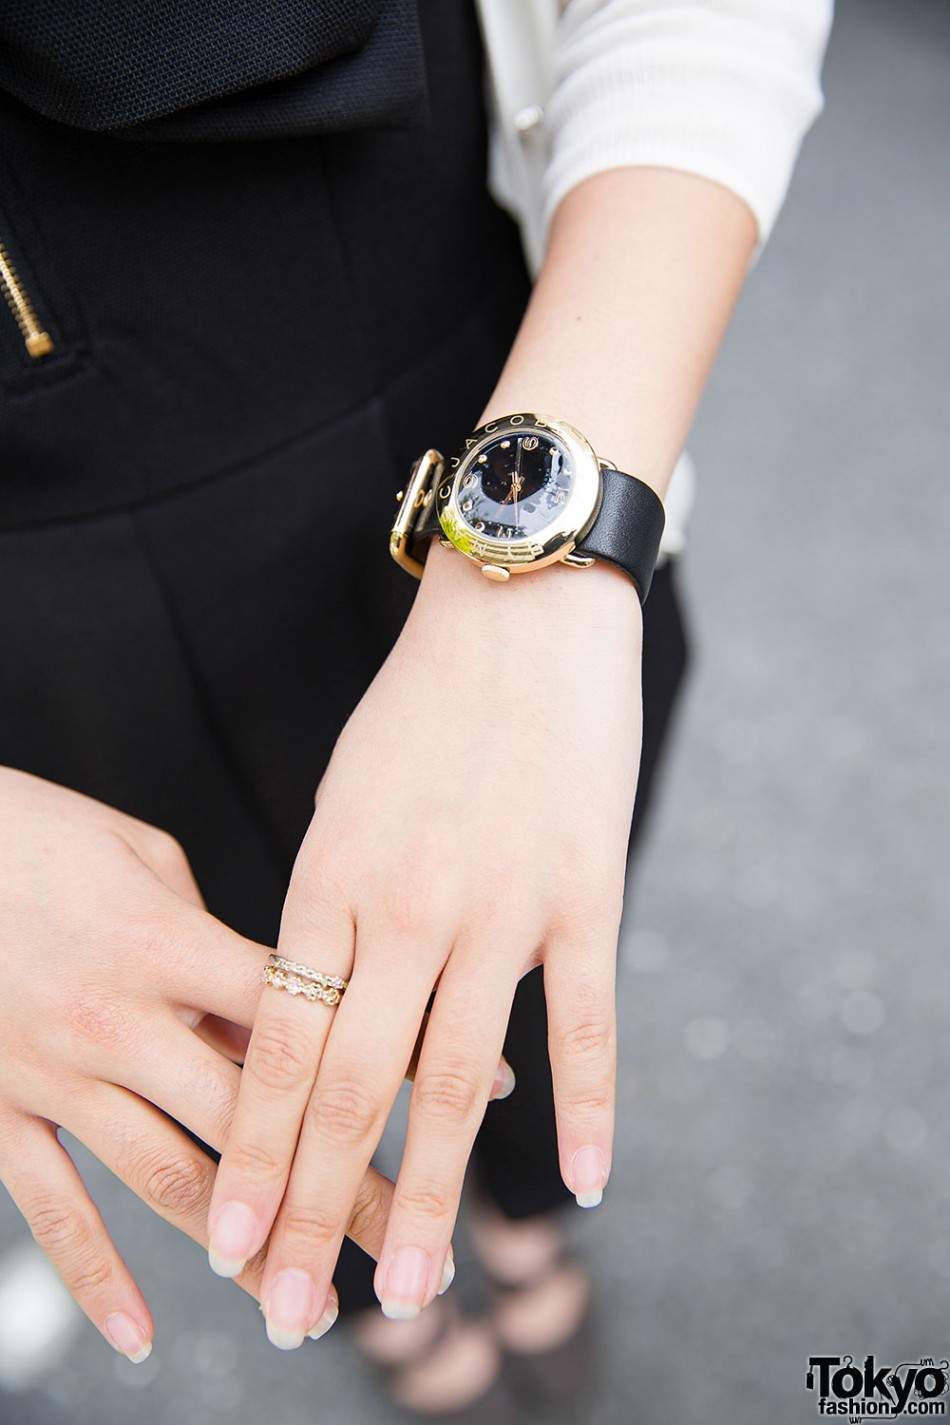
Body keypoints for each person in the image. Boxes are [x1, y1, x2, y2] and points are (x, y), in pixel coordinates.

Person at [0, 0, 832, 1417]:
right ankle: (381, 1288)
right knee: (214, 1056)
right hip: (32, 635)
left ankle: (517, 1214)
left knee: (518, 948)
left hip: (444, 390)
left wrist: (562, 529)